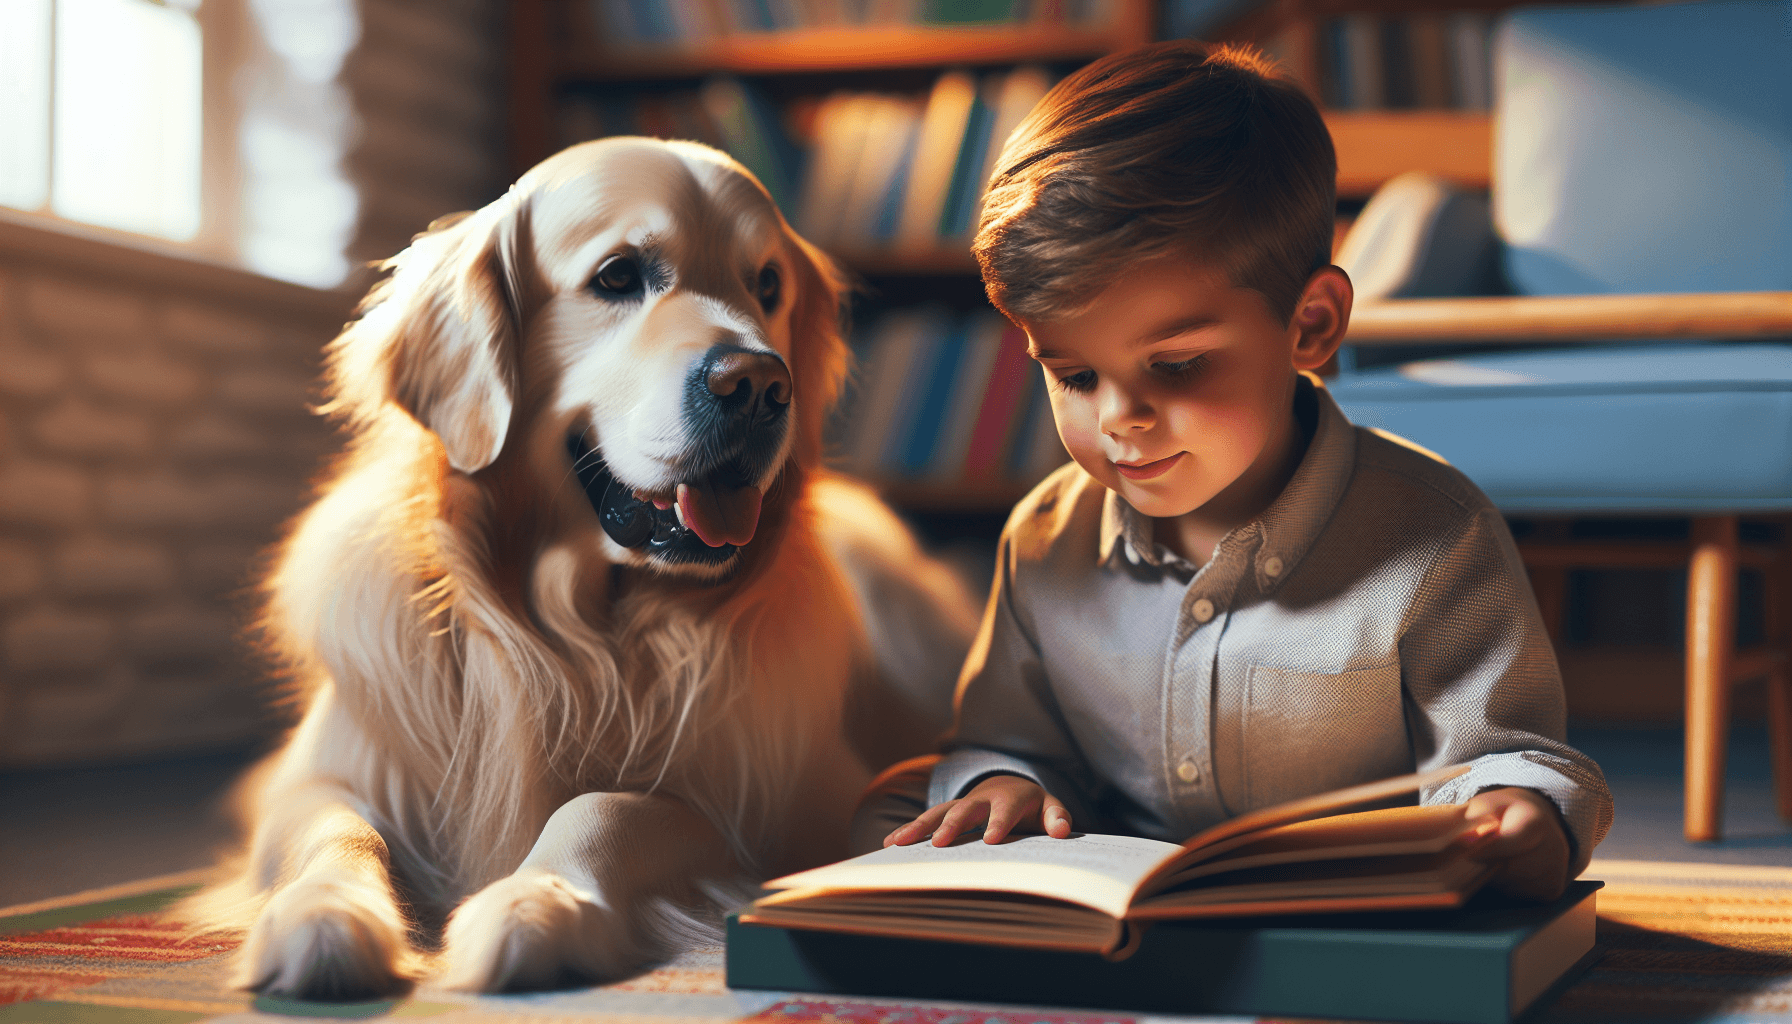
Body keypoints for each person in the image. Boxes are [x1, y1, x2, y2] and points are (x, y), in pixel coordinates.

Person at [857, 40, 1611, 902]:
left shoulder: (1436, 531)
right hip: (1127, 905)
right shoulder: (1043, 536)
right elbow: (1009, 741)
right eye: (1073, 375)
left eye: (1176, 367)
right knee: (884, 815)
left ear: (1311, 325)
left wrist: (1521, 812)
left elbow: (1504, 757)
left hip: (1358, 903)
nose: (1120, 420)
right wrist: (1003, 784)